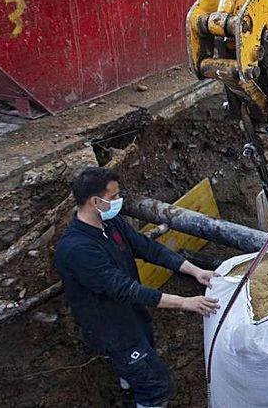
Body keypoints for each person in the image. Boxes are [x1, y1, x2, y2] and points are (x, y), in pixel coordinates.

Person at [54, 167, 221, 408]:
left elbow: (148, 248)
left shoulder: (111, 225)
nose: (118, 202)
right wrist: (184, 302)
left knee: (137, 370)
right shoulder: (77, 249)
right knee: (157, 387)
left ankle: (129, 391)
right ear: (94, 201)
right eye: (113, 197)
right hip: (112, 327)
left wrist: (195, 271)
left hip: (132, 315)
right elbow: (124, 289)